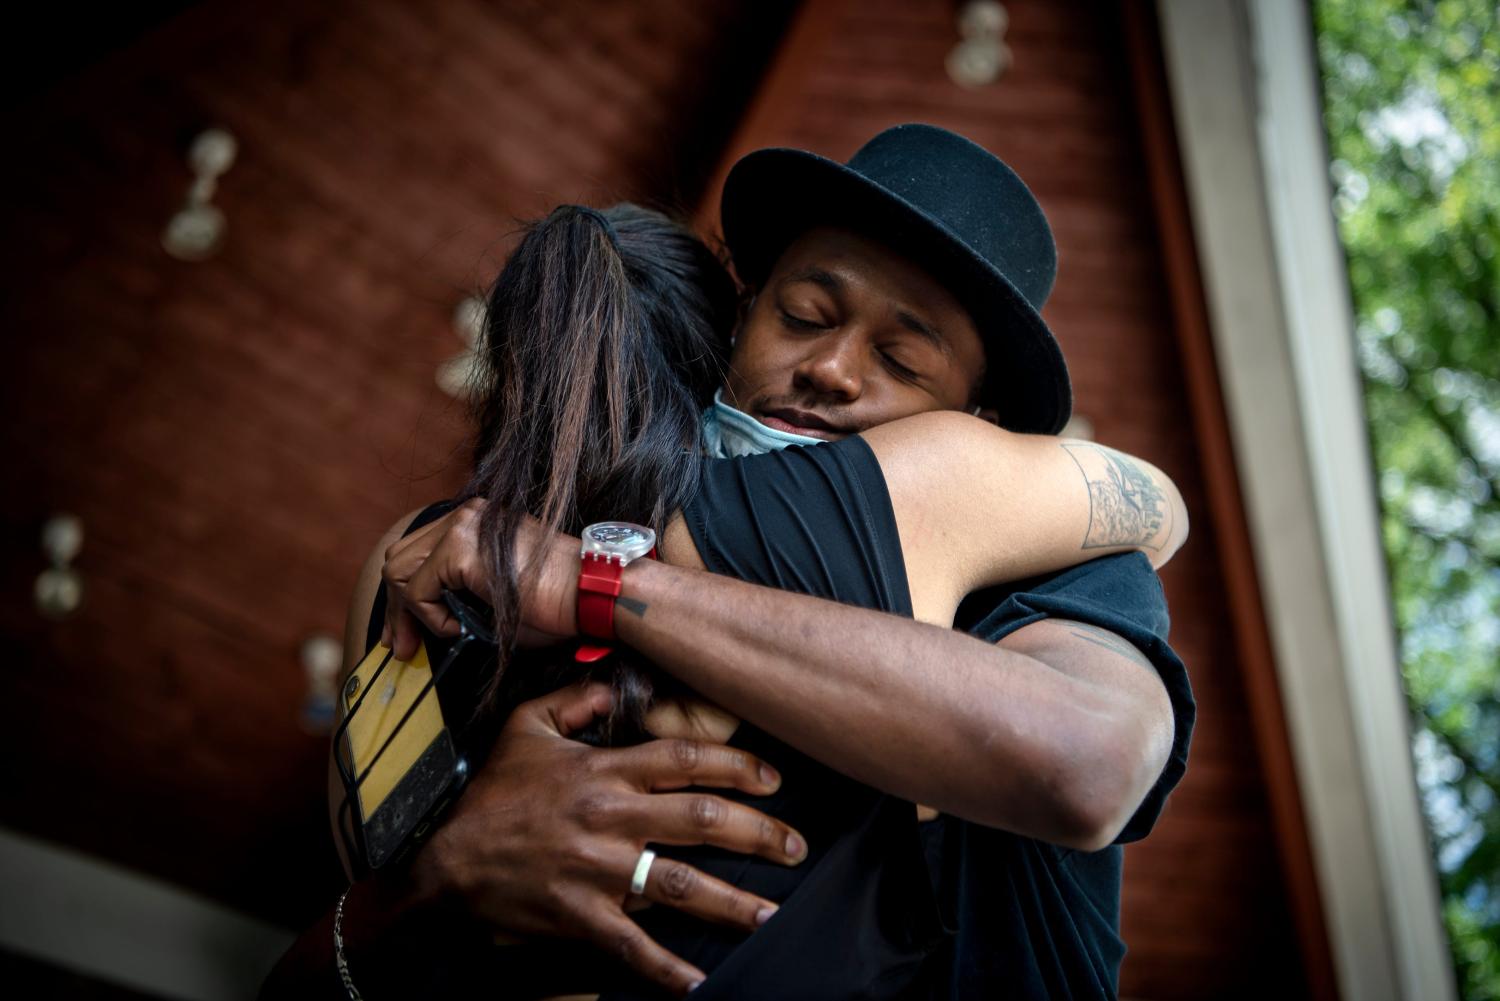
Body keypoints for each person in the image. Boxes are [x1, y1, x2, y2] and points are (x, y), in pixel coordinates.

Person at [265, 125, 1193, 1000]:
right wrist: (436, 883)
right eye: (802, 314)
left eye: (903, 361)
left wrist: (599, 585)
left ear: (980, 433)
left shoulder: (1053, 579)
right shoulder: (471, 563)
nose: (832, 366)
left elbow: (1089, 761)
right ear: (742, 316)